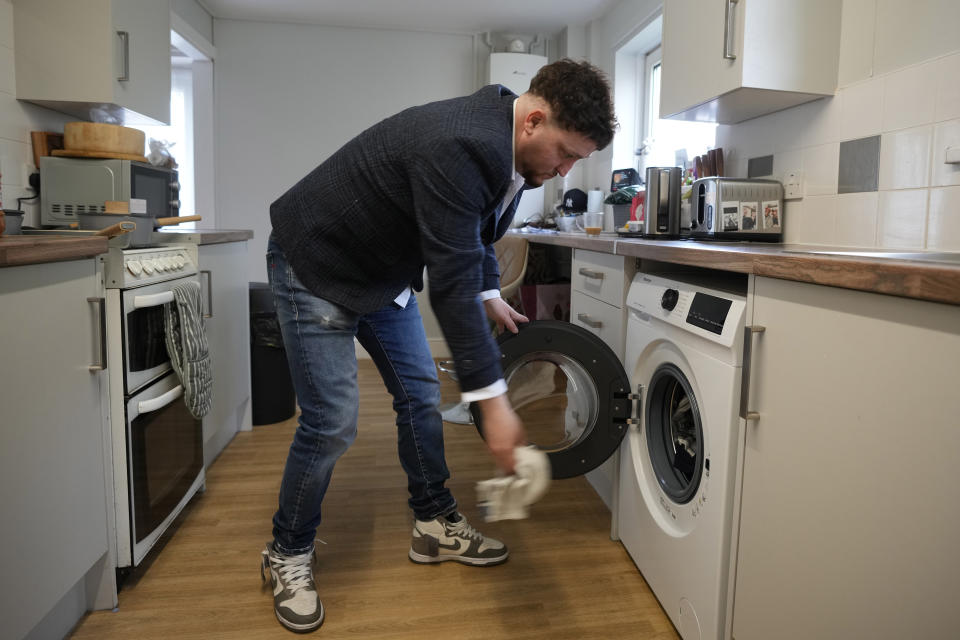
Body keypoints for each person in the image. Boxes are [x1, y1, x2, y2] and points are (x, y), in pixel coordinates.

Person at [260, 58, 617, 633]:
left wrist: (487, 293)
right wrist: (493, 402)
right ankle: (286, 549)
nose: (566, 170)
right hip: (318, 261)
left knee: (421, 395)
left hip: (382, 272)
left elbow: (469, 236)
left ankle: (433, 525)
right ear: (534, 121)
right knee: (332, 422)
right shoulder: (463, 142)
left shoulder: (511, 157)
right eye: (567, 153)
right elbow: (448, 280)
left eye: (577, 160)